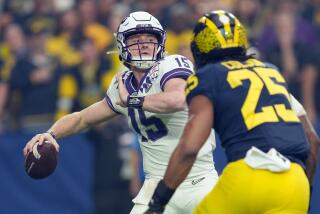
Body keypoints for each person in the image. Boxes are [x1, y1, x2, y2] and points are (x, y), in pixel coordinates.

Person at [23, 11, 219, 213]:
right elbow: (82, 118)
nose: (144, 44)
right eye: (136, 39)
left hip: (198, 181)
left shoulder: (171, 65)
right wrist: (50, 133)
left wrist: (132, 100)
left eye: (150, 39)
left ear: (160, 43)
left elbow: (178, 99)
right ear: (122, 45)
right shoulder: (123, 84)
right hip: (154, 188)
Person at [146, 10, 319, 214]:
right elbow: (312, 142)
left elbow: (190, 148)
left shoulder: (209, 77)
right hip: (295, 183)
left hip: (251, 175)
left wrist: (157, 203)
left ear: (200, 47)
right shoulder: (270, 71)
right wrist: (303, 189)